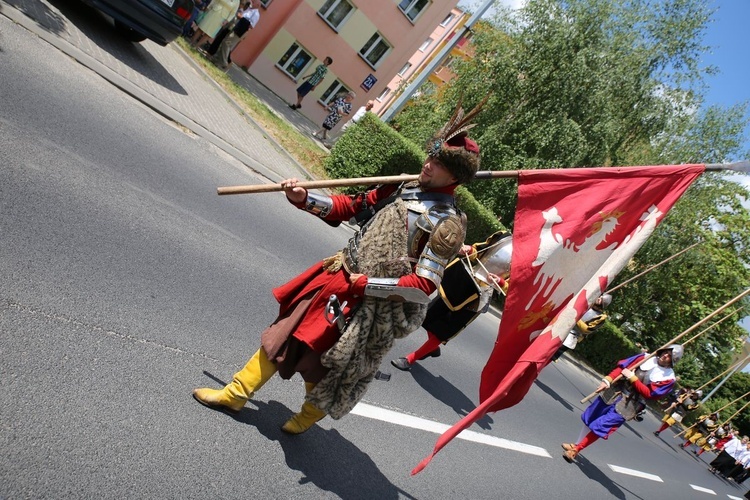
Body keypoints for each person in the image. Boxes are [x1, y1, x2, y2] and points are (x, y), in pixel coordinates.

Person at [192, 102, 484, 434]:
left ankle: (307, 416)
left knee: (327, 367)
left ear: (456, 176)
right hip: (336, 273)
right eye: (430, 155)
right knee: (285, 332)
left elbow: (424, 285)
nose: (428, 164)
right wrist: (304, 199)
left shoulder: (447, 224)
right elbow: (351, 206)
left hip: (369, 304)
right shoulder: (402, 186)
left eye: (439, 163)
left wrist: (364, 285)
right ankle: (236, 393)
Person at [390, 230, 511, 371]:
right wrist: (468, 249)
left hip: (478, 298)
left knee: (443, 330)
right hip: (464, 281)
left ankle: (410, 359)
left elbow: (516, 288)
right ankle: (431, 348)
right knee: (429, 317)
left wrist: (501, 282)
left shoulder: (531, 261)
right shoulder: (503, 235)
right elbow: (479, 251)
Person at [561, 344, 682, 463]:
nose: (665, 355)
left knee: (602, 425)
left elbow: (649, 394)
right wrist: (607, 380)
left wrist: (632, 377)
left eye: (669, 356)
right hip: (616, 390)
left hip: (631, 403)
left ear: (673, 361)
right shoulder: (645, 357)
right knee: (593, 417)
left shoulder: (668, 378)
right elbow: (622, 367)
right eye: (666, 352)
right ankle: (576, 444)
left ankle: (576, 449)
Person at [549, 293, 611, 362]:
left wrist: (576, 317)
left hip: (572, 335)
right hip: (561, 327)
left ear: (603, 304)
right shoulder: (587, 304)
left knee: (554, 354)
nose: (599, 298)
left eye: (601, 299)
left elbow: (587, 329)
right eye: (600, 296)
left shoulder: (600, 317)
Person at [210, 0, 260, 70]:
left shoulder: (256, 14)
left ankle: (223, 62)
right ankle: (218, 59)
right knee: (225, 41)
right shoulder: (248, 8)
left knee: (227, 43)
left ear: (258, 5)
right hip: (235, 27)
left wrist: (241, 17)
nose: (252, 2)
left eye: (254, 2)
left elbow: (251, 26)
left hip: (240, 31)